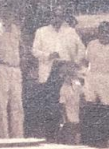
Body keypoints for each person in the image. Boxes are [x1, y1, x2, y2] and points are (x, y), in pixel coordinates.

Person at [31, 11, 84, 139]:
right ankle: (50, 136)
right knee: (50, 105)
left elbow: (81, 49)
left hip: (66, 71)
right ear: (50, 17)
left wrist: (74, 63)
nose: (57, 18)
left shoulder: (70, 31)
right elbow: (34, 50)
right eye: (54, 16)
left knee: (68, 105)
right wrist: (48, 55)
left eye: (60, 16)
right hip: (49, 70)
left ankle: (67, 137)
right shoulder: (41, 31)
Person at [83, 21, 109, 147]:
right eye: (102, 32)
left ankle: (106, 140)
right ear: (98, 33)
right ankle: (90, 140)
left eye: (108, 32)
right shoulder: (92, 44)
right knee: (91, 107)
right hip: (93, 77)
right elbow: (86, 60)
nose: (105, 35)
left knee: (108, 109)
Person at [0, 6, 24, 138]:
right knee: (1, 103)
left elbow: (21, 47)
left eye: (9, 14)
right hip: (2, 67)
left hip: (15, 68)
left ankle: (18, 135)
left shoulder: (16, 30)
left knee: (17, 103)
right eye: (3, 14)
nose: (6, 17)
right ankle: (3, 136)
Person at [57, 62, 83, 144]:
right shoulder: (63, 88)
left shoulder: (77, 84)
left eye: (70, 75)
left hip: (77, 110)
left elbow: (82, 95)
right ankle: (69, 143)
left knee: (77, 130)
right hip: (68, 112)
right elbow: (62, 104)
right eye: (66, 76)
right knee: (70, 129)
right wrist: (64, 117)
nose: (68, 78)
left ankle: (76, 144)